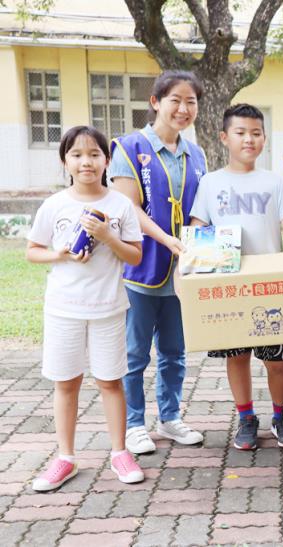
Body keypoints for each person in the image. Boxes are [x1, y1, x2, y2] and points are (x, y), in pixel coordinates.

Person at [188, 104, 283, 451]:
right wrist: (187, 267)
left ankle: (281, 416)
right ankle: (245, 417)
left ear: (264, 139)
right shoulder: (210, 183)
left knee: (278, 359)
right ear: (224, 137)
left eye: (256, 133)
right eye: (241, 132)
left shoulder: (273, 182)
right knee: (237, 357)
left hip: (269, 285)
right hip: (228, 285)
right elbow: (199, 228)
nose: (249, 139)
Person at [27, 126, 145, 491]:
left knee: (111, 382)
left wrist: (108, 235)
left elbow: (135, 256)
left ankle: (119, 451)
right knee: (66, 384)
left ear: (107, 160)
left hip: (108, 308)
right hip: (63, 309)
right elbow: (33, 251)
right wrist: (59, 254)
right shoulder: (55, 205)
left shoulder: (120, 205)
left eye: (94, 154)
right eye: (77, 155)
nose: (86, 162)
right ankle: (65, 457)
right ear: (66, 162)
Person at [109, 70, 207, 454]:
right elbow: (127, 207)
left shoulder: (196, 153)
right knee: (134, 353)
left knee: (174, 350)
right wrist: (167, 239)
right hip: (142, 267)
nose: (183, 109)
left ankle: (169, 418)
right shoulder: (129, 148)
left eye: (191, 102)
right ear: (155, 102)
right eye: (175, 100)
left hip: (183, 272)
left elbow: (202, 209)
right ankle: (134, 423)